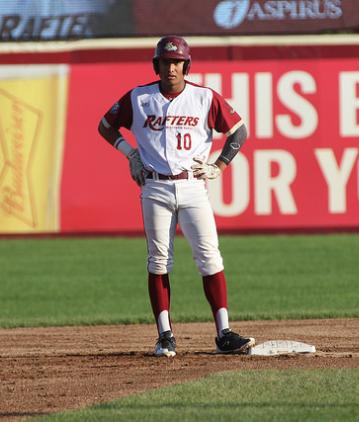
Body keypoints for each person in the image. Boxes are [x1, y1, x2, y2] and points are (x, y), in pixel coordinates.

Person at [98, 35, 254, 357]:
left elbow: (239, 130)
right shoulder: (139, 98)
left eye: (177, 62)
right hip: (154, 186)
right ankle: (165, 335)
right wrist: (130, 153)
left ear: (186, 65)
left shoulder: (204, 97)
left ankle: (224, 332)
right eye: (166, 62)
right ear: (157, 65)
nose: (172, 68)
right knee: (158, 260)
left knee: (210, 257)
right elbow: (105, 125)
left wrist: (221, 165)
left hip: (193, 184)